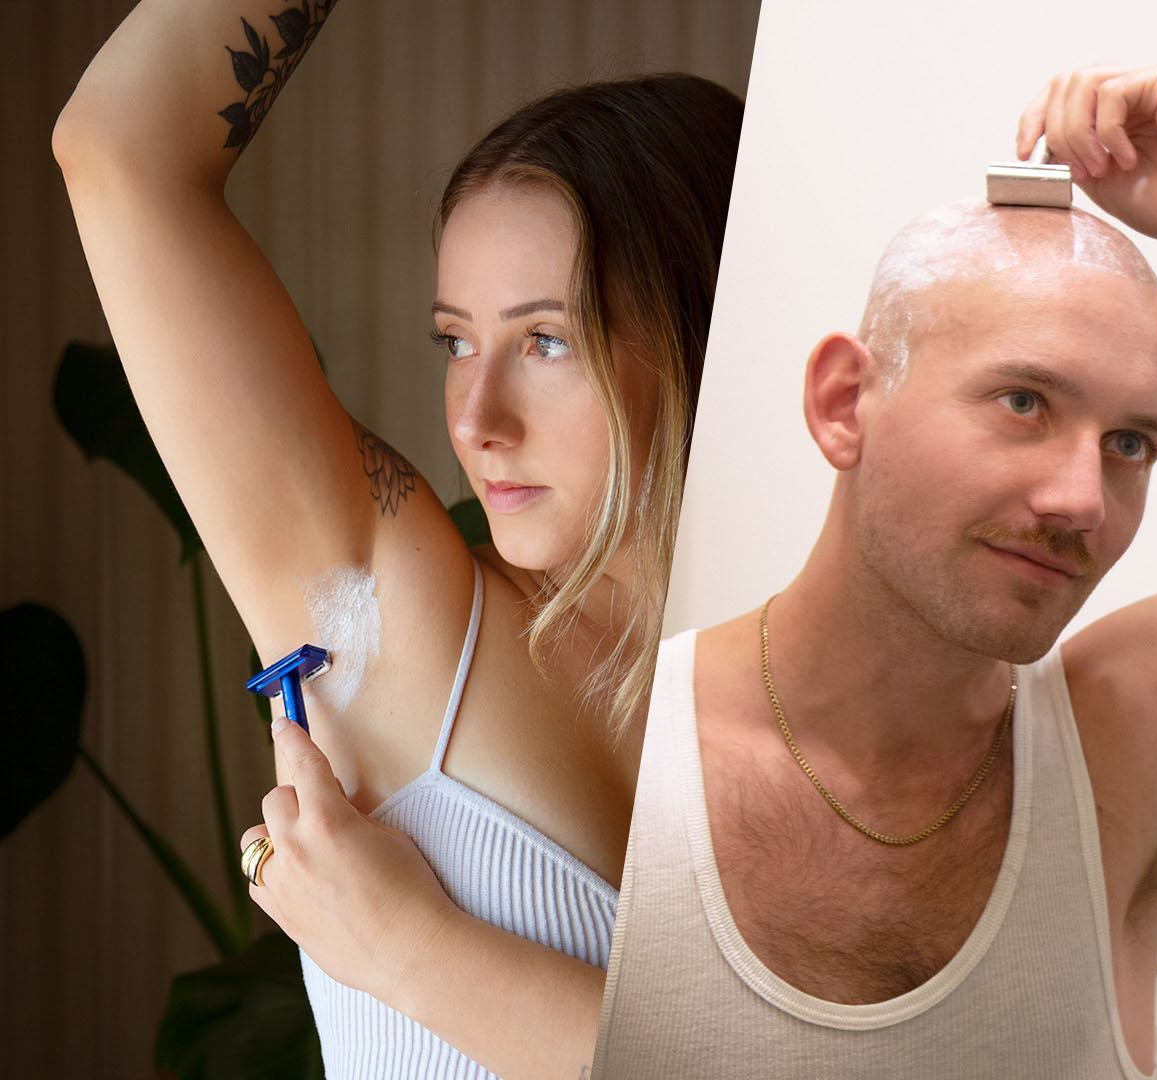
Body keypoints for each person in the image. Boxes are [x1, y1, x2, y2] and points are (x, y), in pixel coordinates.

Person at [591, 65, 1157, 1078]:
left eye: (1130, 444)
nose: (1082, 497)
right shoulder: (612, 730)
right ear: (844, 402)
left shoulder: (1136, 730)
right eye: (1025, 403)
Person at [52, 1, 740, 1077]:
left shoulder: (842, 696)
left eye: (547, 340)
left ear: (704, 332)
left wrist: (410, 949)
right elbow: (121, 148)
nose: (475, 420)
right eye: (457, 343)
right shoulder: (402, 608)